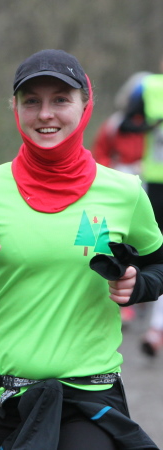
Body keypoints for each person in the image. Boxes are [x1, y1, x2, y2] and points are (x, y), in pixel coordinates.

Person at [0, 50, 162, 449]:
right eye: (31, 101)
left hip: (88, 398)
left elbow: (157, 264)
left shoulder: (123, 193)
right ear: (15, 108)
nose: (45, 114)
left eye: (60, 99)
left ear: (85, 105)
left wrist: (138, 285)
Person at [92, 71, 151, 326]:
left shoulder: (155, 126)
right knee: (116, 241)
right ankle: (122, 302)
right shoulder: (116, 123)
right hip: (120, 186)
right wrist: (113, 174)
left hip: (152, 186)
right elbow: (100, 153)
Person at [118, 69, 163, 357]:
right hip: (156, 183)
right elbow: (125, 125)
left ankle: (156, 328)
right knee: (150, 248)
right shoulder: (151, 88)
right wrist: (151, 126)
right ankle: (136, 308)